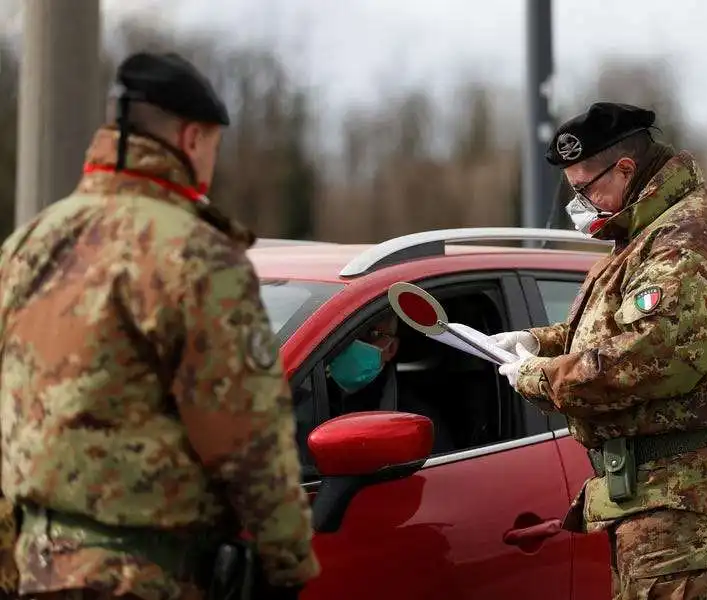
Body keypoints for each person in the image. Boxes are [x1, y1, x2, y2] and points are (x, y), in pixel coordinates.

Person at [0, 52, 318, 600]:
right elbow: (246, 435)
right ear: (192, 139)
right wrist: (285, 564)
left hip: (35, 570)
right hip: (148, 575)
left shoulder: (28, 244)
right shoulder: (194, 255)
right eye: (214, 147)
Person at [493, 102, 707, 599]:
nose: (580, 203)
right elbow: (618, 328)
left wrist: (539, 375)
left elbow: (648, 361)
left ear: (624, 168)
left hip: (678, 495)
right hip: (650, 493)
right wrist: (539, 340)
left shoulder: (686, 237)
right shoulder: (647, 231)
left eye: (583, 190)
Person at [325, 314, 455, 453]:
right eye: (346, 332)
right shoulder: (306, 386)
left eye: (371, 334)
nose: (352, 343)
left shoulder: (412, 418)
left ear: (391, 348)